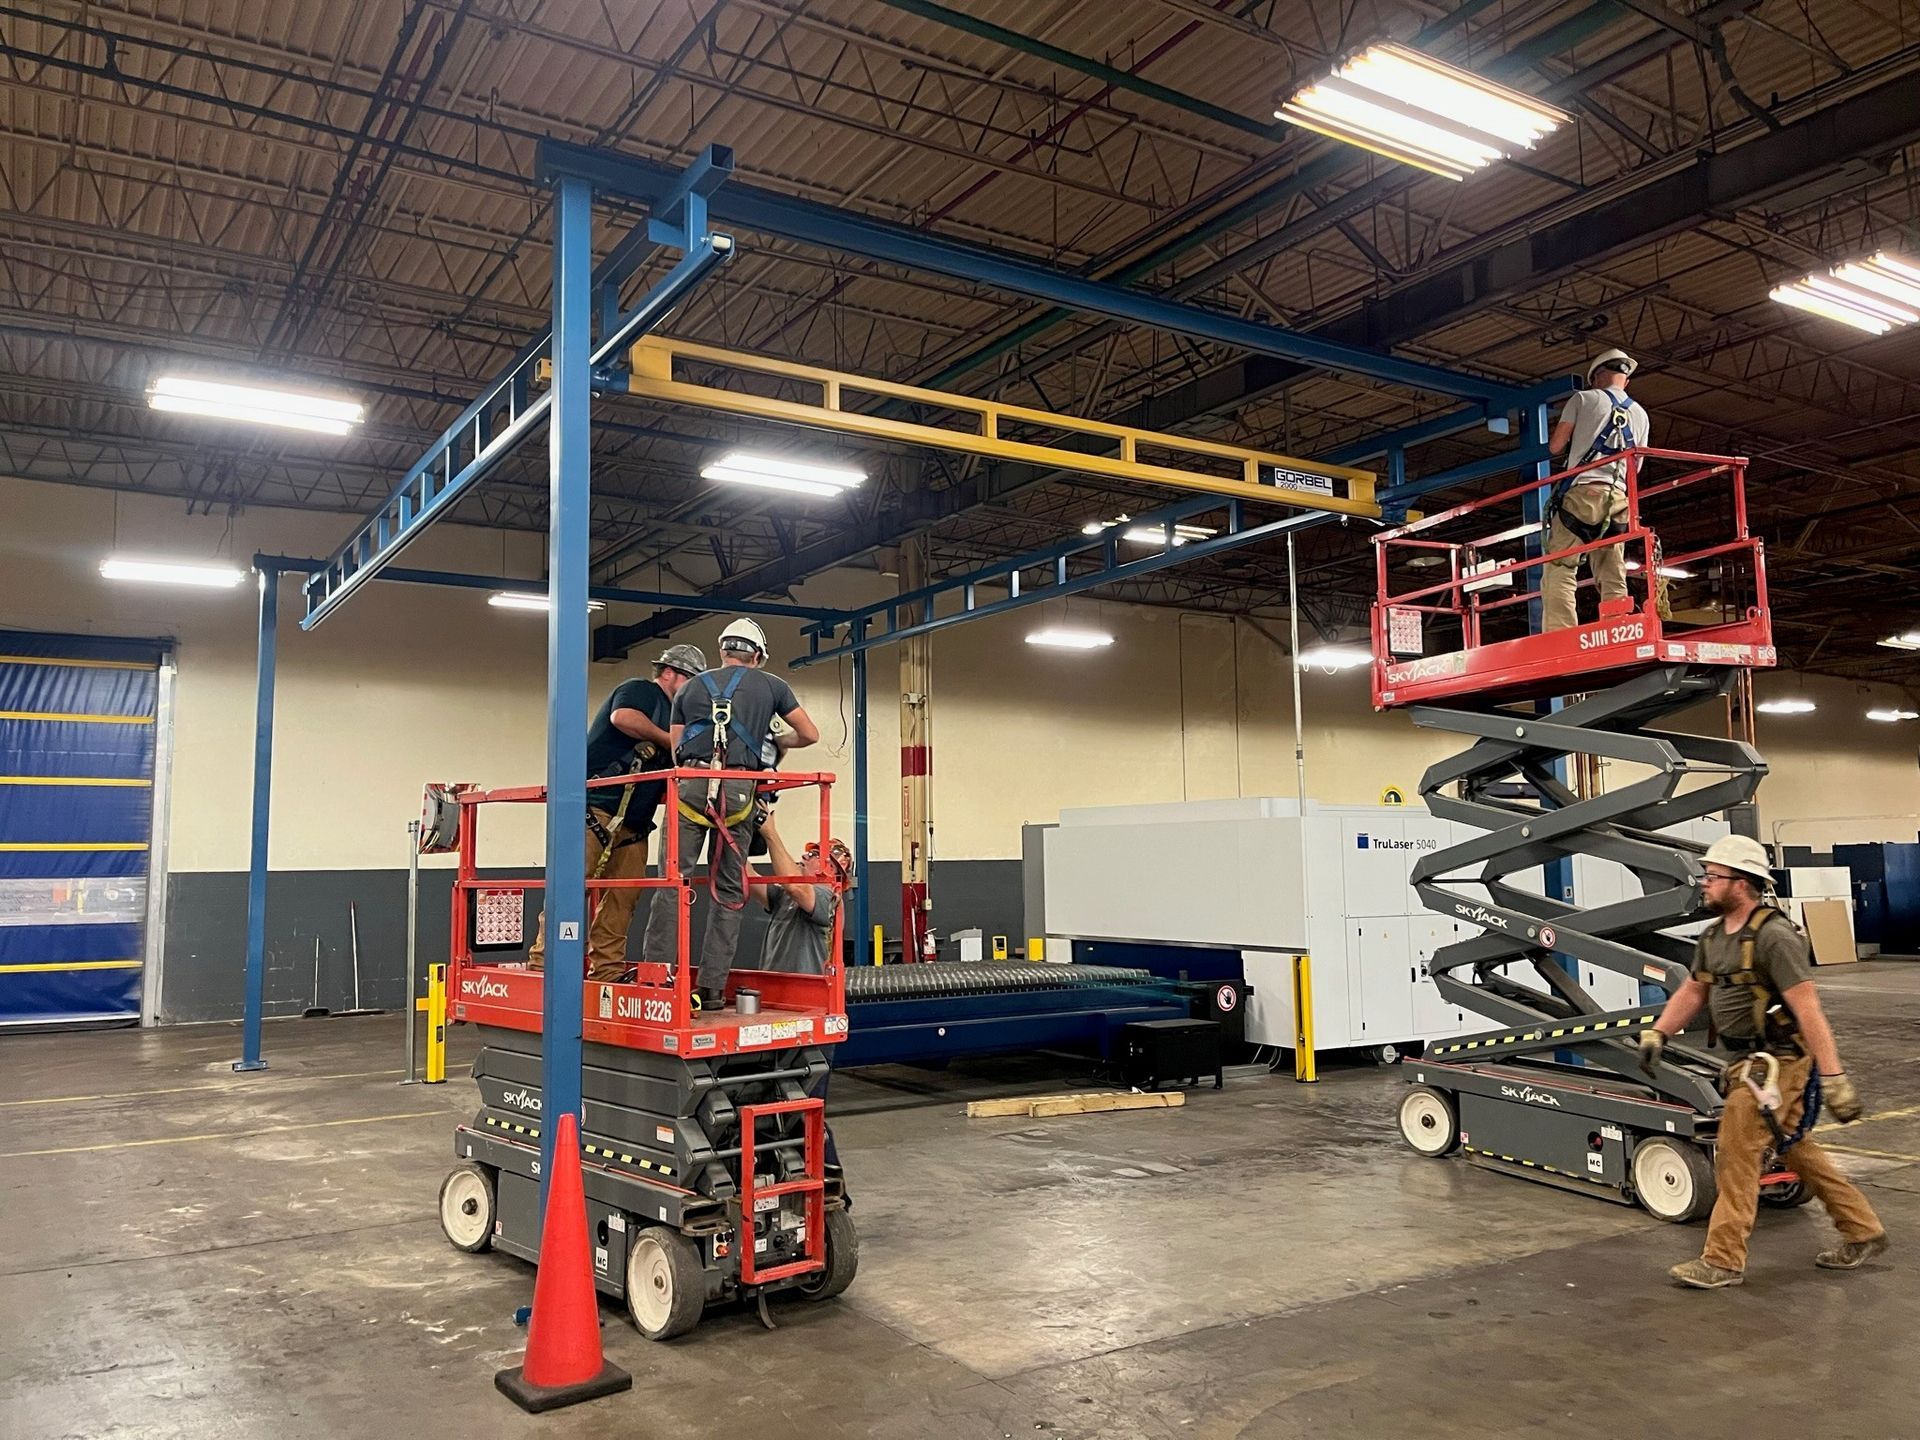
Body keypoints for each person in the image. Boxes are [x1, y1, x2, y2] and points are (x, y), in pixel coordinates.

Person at [1636, 834, 1887, 1289]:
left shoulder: (1774, 937)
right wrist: (1660, 1030)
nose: (1705, 885)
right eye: (1706, 876)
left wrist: (1833, 1078)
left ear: (1743, 883)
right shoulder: (1713, 937)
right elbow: (1695, 989)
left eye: (1714, 877)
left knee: (1736, 1150)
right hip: (1744, 1062)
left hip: (1778, 1062)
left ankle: (1723, 1261)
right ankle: (1862, 1229)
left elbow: (1808, 1007)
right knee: (1794, 1146)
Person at [640, 617, 819, 1009]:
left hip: (690, 785)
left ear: (723, 650)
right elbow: (810, 734)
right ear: (757, 655)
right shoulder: (773, 686)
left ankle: (657, 982)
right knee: (729, 890)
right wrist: (775, 743)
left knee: (673, 882)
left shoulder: (690, 688)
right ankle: (712, 988)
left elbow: (676, 748)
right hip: (738, 792)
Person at [529, 643, 706, 982]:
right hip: (596, 809)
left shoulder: (680, 722)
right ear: (668, 674)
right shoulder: (641, 690)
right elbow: (623, 718)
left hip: (634, 824)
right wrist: (670, 741)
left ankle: (606, 971)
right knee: (570, 889)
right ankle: (543, 967)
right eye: (689, 681)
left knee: (623, 897)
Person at [751, 810, 851, 1173]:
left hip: (810, 1023)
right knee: (770, 1106)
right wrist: (730, 835)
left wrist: (771, 834)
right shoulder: (788, 897)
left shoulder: (827, 898)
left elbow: (797, 887)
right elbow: (751, 881)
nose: (805, 856)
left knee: (804, 1109)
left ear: (832, 870)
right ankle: (778, 1176)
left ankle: (827, 1184)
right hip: (776, 1014)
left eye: (813, 854)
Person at [1541, 349, 1651, 632]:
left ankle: (1560, 634)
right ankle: (1617, 627)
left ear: (1597, 377)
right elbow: (1634, 468)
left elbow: (1556, 446)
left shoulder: (1582, 399)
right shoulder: (1640, 414)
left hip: (1582, 495)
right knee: (1612, 570)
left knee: (1561, 567)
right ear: (1625, 380)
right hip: (1618, 499)